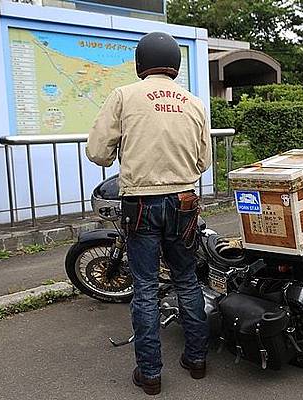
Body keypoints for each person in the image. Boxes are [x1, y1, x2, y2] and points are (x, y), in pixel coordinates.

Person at [86, 31, 212, 396]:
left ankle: (151, 374)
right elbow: (203, 160)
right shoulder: (193, 102)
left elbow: (97, 152)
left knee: (144, 288)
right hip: (184, 202)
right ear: (175, 64)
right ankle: (197, 360)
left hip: (140, 203)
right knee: (187, 280)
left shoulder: (124, 96)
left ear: (140, 63)